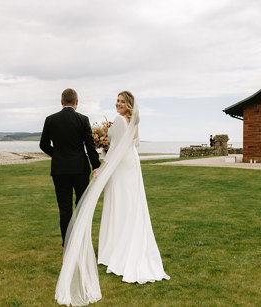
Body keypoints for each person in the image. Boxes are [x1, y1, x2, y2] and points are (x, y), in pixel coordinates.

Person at [55, 91, 169, 306]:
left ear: (129, 105)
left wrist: (100, 167)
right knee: (130, 205)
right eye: (117, 101)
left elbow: (115, 148)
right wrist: (107, 144)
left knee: (118, 205)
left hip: (120, 165)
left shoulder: (118, 120)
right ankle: (123, 244)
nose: (118, 104)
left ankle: (115, 250)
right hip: (132, 164)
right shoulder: (133, 121)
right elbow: (131, 145)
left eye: (122, 102)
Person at [39, 88, 101, 247]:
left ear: (61, 102)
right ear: (77, 102)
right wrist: (97, 166)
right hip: (80, 169)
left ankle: (67, 243)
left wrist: (58, 155)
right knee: (81, 206)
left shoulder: (50, 119)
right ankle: (81, 241)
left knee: (64, 208)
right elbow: (90, 146)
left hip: (60, 170)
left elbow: (43, 145)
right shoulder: (83, 119)